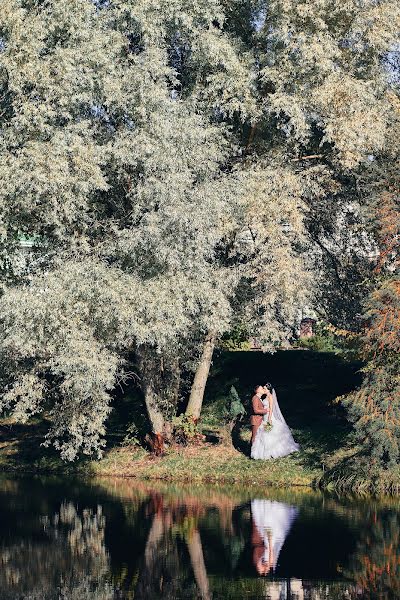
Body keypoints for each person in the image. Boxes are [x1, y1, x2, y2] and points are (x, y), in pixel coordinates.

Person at [251, 382, 299, 460]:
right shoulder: (264, 397)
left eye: (264, 388)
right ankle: (262, 451)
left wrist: (269, 419)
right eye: (263, 388)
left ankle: (272, 451)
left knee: (270, 433)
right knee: (263, 433)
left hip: (269, 417)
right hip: (264, 416)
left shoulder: (270, 397)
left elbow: (271, 409)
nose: (263, 389)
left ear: (268, 390)